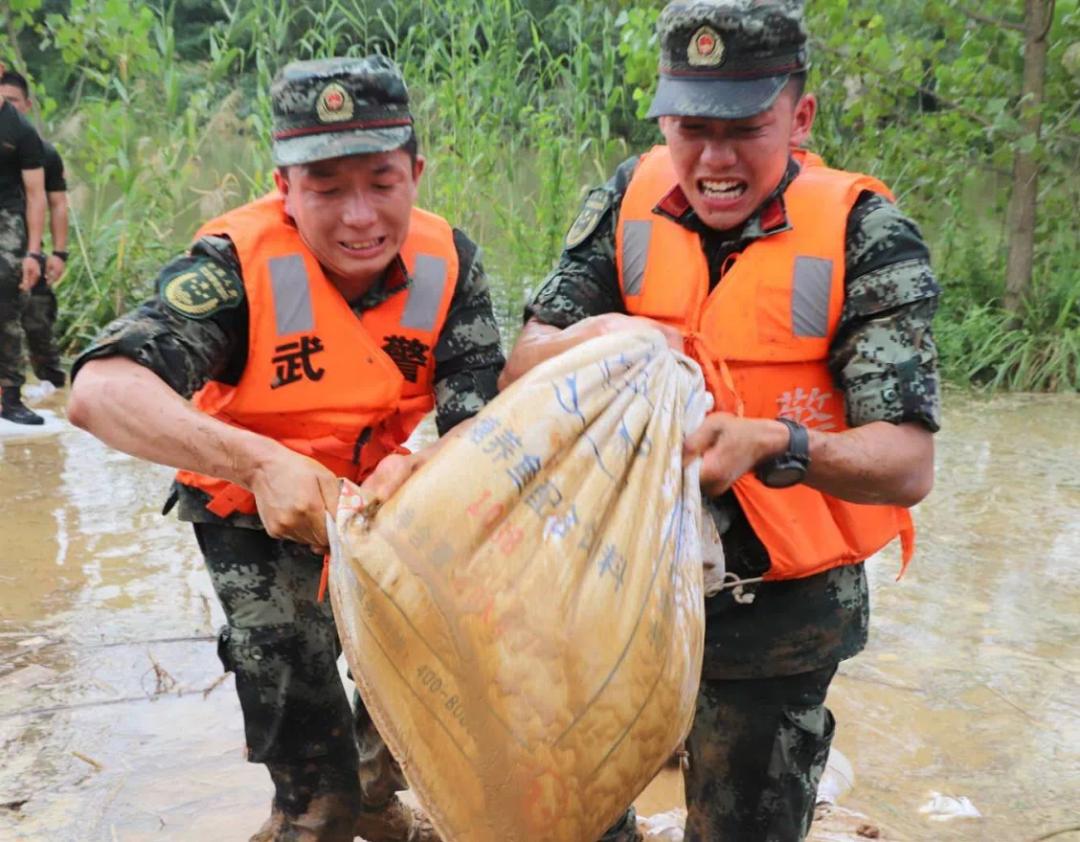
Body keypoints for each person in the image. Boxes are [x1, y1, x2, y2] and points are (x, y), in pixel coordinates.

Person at [499, 2, 940, 840]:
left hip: (780, 605)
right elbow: (524, 359)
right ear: (664, 117)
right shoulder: (627, 201)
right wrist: (600, 335)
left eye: (744, 128)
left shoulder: (865, 234)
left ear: (800, 117)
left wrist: (775, 443)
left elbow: (906, 463)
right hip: (618, 585)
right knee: (574, 814)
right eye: (691, 128)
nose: (714, 158)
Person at [69, 56, 505, 842]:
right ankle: (312, 807)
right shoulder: (233, 266)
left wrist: (428, 464)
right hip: (253, 516)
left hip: (386, 508)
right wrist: (262, 463)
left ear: (416, 171)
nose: (359, 216)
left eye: (380, 181)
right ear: (284, 187)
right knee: (317, 790)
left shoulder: (451, 262)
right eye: (326, 188)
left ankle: (379, 796)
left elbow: (481, 417)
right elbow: (100, 391)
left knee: (420, 725)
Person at [0, 69, 69, 390]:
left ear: (26, 105)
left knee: (39, 328)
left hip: (30, 249)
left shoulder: (41, 152)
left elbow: (54, 204)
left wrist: (57, 252)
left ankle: (56, 392)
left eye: (14, 100)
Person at [0, 62, 47, 425]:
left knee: (7, 305)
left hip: (7, 220)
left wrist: (34, 252)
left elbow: (36, 195)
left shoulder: (20, 130)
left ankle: (11, 397)